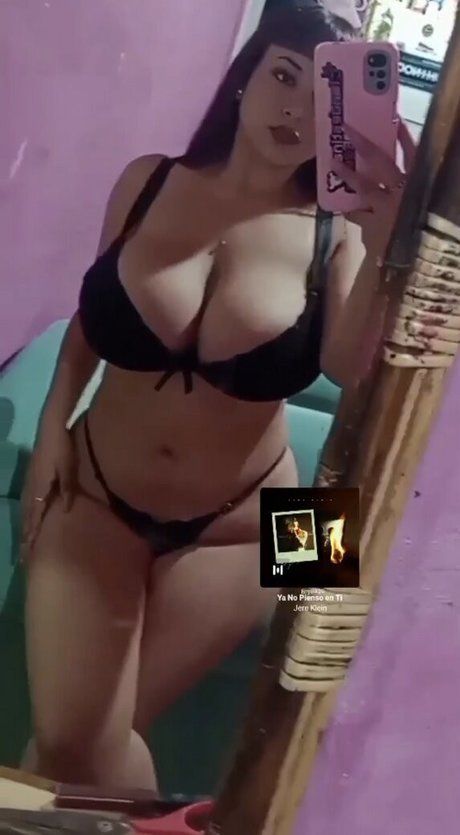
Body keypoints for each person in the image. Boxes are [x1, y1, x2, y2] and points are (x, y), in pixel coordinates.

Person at [21, 3, 415, 788]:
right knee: (72, 740)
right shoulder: (148, 181)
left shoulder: (335, 233)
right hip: (97, 488)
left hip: (253, 522)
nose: (296, 110)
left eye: (323, 100)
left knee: (84, 746)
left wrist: (382, 241)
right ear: (245, 77)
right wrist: (51, 428)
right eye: (283, 77)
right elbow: (93, 317)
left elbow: (353, 371)